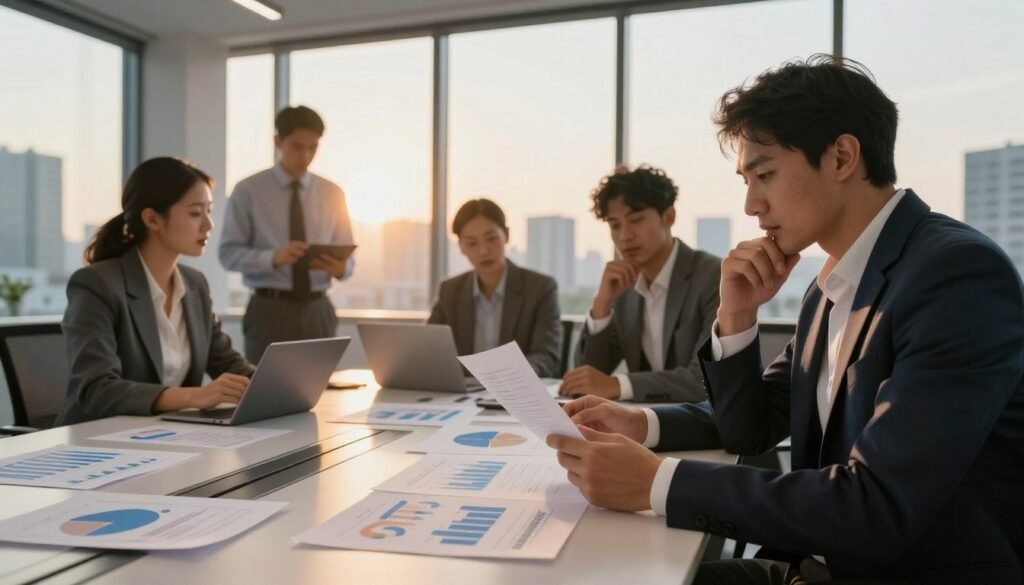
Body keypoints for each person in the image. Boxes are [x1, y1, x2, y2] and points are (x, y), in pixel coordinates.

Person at [548, 55, 1024, 584]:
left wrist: (659, 483)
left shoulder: (955, 275)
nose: (752, 204)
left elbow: (877, 505)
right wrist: (730, 322)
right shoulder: (833, 284)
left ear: (842, 156)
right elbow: (750, 425)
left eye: (766, 174)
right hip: (816, 562)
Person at [57, 158, 255, 426]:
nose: (208, 225)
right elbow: (97, 390)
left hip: (168, 438)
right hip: (98, 443)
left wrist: (284, 384)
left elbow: (228, 364)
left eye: (209, 211)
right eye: (196, 213)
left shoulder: (195, 285)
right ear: (152, 219)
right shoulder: (96, 284)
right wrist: (195, 397)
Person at [560, 165, 721, 402]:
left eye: (636, 220)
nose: (624, 236)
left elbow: (705, 380)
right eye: (615, 225)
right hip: (640, 426)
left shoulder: (713, 276)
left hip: (704, 428)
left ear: (669, 217)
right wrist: (601, 305)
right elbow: (587, 378)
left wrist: (618, 384)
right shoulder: (624, 286)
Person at [219, 105, 355, 363]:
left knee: (324, 393)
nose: (304, 155)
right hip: (269, 310)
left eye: (312, 148)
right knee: (265, 392)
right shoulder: (248, 190)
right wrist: (273, 258)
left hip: (319, 309)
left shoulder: (332, 193)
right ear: (278, 141)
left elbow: (349, 259)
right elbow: (228, 254)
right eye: (296, 146)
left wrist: (341, 268)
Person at [428, 199, 561, 377]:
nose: (483, 250)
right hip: (464, 395)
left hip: (516, 392)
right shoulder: (450, 291)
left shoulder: (540, 288)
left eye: (491, 238)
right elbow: (428, 350)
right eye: (472, 243)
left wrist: (511, 375)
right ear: (460, 246)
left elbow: (547, 356)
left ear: (506, 234)